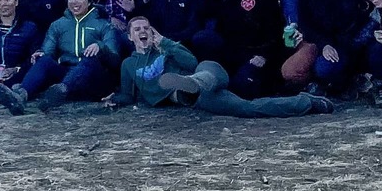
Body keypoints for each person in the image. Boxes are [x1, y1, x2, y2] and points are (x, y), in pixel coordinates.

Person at [108, 14, 332, 118]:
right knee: (247, 108)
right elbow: (128, 95)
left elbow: (191, 62)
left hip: (208, 72)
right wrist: (114, 99)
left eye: (146, 27)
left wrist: (165, 42)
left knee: (203, 72)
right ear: (129, 37)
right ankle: (305, 102)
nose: (143, 32)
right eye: (137, 29)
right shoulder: (129, 64)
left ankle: (192, 84)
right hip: (196, 98)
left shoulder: (166, 48)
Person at [0, 0, 119, 112]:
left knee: (89, 60)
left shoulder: (103, 24)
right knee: (44, 61)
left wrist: (100, 46)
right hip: (67, 74)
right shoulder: (58, 25)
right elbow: (47, 51)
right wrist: (40, 54)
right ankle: (20, 96)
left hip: (93, 79)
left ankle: (58, 93)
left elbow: (114, 58)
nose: (74, 2)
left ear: (88, 1)